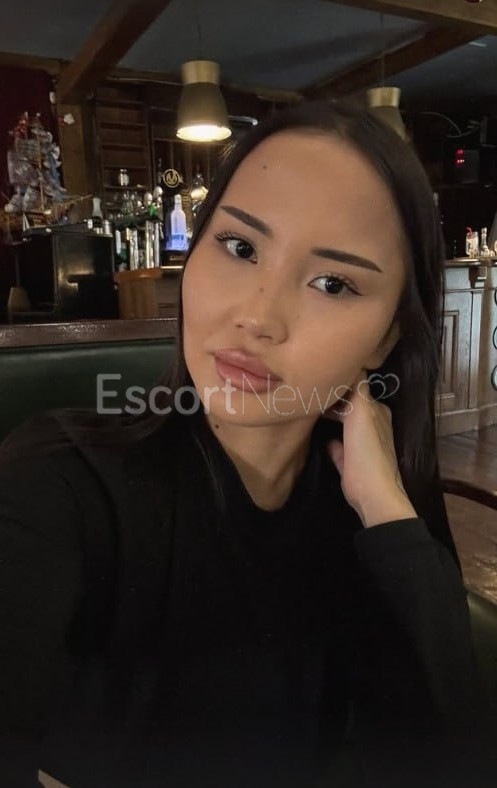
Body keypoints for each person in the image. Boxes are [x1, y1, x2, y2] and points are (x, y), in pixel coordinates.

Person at [0, 100, 494, 788]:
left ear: (385, 339)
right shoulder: (59, 486)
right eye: (239, 247)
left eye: (332, 283)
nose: (258, 316)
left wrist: (387, 509)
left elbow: (451, 756)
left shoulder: (369, 522)